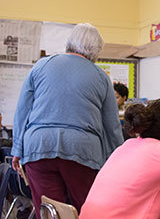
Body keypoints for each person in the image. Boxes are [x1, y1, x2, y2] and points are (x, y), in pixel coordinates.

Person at [11, 23, 124, 219]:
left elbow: (22, 111)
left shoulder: (42, 65)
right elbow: (111, 126)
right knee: (87, 211)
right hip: (83, 150)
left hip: (38, 146)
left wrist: (17, 150)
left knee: (50, 213)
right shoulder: (101, 77)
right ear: (96, 51)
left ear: (69, 43)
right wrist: (118, 161)